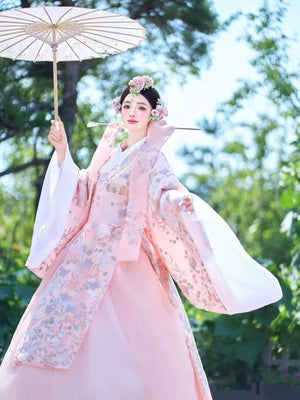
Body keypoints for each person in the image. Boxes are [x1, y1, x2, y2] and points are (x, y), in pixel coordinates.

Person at [0, 75, 282, 400]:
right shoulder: (109, 151)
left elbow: (162, 193)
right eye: (127, 105)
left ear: (153, 114)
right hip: (84, 254)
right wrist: (63, 150)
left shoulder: (153, 156)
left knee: (138, 341)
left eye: (141, 107)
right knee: (56, 324)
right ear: (119, 109)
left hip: (127, 254)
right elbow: (84, 190)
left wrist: (178, 201)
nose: (132, 112)